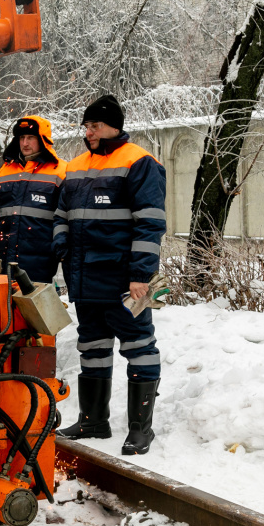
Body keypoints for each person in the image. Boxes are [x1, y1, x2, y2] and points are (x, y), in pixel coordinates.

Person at [54, 95, 166, 454]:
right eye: (86, 126)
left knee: (139, 347)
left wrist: (141, 275)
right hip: (84, 279)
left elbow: (150, 223)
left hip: (124, 281)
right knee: (92, 347)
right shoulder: (75, 167)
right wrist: (61, 247)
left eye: (96, 126)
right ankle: (93, 421)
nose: (89, 132)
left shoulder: (139, 162)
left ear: (114, 126)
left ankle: (140, 430)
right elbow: (61, 215)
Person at [0, 115, 67, 284]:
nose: (25, 143)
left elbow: (63, 219)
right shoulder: (3, 173)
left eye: (30, 138)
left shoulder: (60, 172)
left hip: (39, 264)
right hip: (1, 263)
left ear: (43, 140)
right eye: (22, 138)